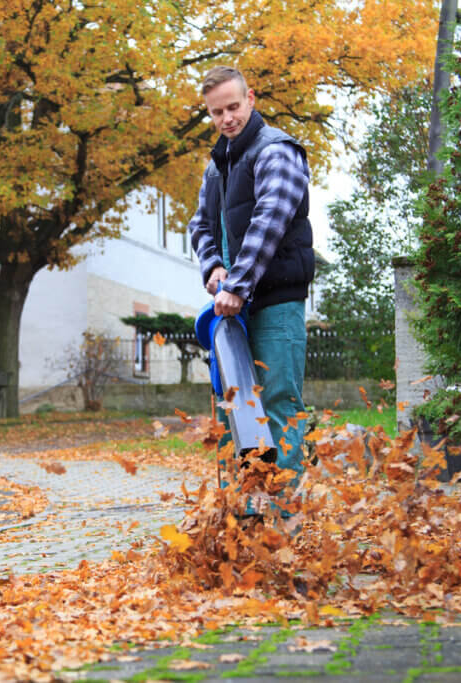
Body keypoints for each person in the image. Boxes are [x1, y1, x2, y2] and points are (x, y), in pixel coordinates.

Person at [187, 65, 315, 493]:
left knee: (279, 404)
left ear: (252, 99)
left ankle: (285, 519)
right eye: (216, 111)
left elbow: (269, 220)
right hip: (233, 309)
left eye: (233, 107)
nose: (227, 118)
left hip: (276, 303)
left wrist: (238, 285)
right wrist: (215, 267)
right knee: (237, 410)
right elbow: (200, 226)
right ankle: (244, 513)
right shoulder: (217, 167)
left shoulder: (276, 150)